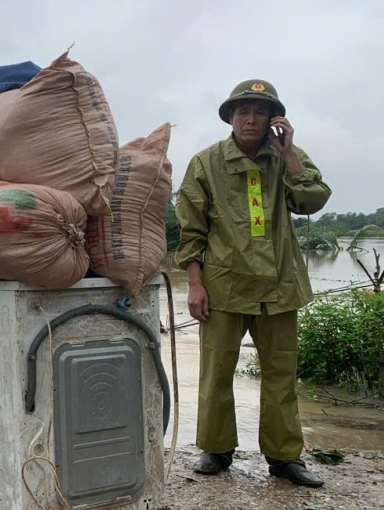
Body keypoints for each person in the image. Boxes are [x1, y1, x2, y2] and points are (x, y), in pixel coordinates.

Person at [175, 79, 332, 488]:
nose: (250, 118)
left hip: (280, 288)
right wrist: (194, 284)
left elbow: (311, 201)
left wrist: (291, 154)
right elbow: (191, 231)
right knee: (216, 373)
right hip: (224, 287)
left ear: (273, 119)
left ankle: (284, 459)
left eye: (260, 112)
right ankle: (216, 449)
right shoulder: (206, 163)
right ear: (230, 117)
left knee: (281, 374)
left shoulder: (286, 157)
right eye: (242, 111)